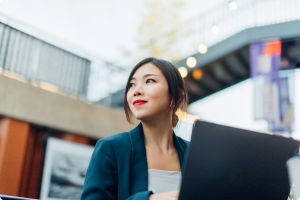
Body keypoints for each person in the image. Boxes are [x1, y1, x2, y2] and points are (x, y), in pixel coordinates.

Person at [81, 58, 189, 200]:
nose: (136, 91)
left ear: (176, 95)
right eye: (132, 84)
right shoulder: (111, 149)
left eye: (149, 81)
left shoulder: (194, 154)